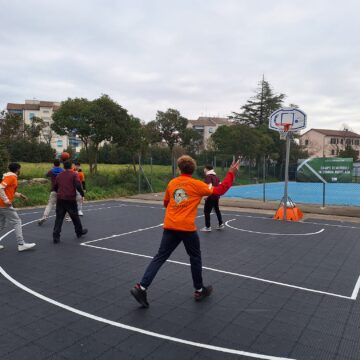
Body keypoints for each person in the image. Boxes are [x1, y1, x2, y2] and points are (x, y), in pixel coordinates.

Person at [130, 155, 240, 308]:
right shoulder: (197, 185)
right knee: (195, 257)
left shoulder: (172, 183)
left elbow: (166, 203)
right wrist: (231, 173)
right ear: (193, 169)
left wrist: (178, 204)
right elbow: (219, 190)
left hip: (170, 225)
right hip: (186, 227)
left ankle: (141, 287)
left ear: (179, 168)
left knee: (160, 257)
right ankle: (199, 289)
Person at [0, 163, 36, 252]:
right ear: (18, 169)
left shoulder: (8, 177)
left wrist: (19, 195)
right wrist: (6, 200)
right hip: (4, 205)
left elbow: (8, 190)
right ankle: (21, 244)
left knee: (2, 224)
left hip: (1, 204)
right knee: (17, 221)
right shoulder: (11, 177)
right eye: (20, 169)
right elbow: (0, 188)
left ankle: (21, 244)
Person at [52, 160, 87, 243]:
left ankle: (56, 237)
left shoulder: (59, 175)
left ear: (63, 167)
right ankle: (79, 232)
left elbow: (55, 187)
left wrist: (59, 192)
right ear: (71, 166)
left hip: (60, 199)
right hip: (70, 198)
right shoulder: (74, 174)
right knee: (75, 217)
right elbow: (78, 185)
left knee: (59, 218)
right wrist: (82, 194)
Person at [38, 159, 64, 226]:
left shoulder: (51, 171)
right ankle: (68, 217)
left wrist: (51, 169)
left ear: (53, 164)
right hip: (62, 191)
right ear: (59, 164)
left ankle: (44, 216)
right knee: (64, 205)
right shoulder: (63, 171)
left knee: (50, 204)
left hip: (54, 190)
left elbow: (46, 174)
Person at [200, 164, 224, 232]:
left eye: (204, 168)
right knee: (217, 210)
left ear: (207, 169)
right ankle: (221, 224)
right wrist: (218, 194)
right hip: (216, 196)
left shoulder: (208, 176)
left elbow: (209, 186)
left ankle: (208, 227)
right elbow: (220, 186)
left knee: (206, 211)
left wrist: (207, 196)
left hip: (210, 196)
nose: (204, 169)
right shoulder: (216, 177)